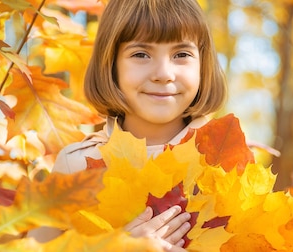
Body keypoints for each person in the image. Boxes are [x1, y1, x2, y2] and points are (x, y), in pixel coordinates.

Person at [27, 0, 227, 250]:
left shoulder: (224, 162)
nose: (164, 73)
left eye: (182, 54)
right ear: (111, 65)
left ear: (203, 64)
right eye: (141, 54)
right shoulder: (76, 166)